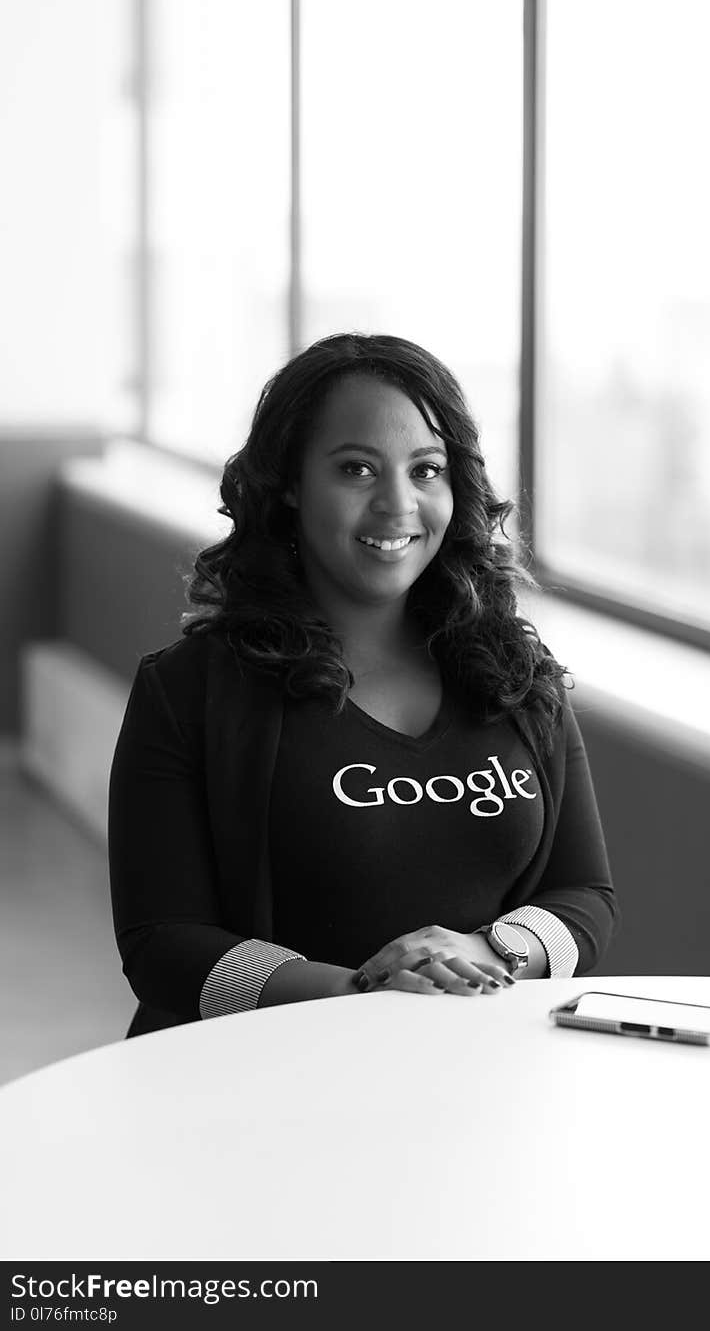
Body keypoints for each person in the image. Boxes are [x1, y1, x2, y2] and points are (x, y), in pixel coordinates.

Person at [108, 333, 618, 1037]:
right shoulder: (191, 689)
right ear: (289, 483)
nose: (397, 504)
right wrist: (365, 991)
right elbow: (162, 942)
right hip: (250, 1093)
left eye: (426, 469)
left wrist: (484, 952)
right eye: (355, 469)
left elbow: (584, 894)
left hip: (479, 1080)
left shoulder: (514, 672)